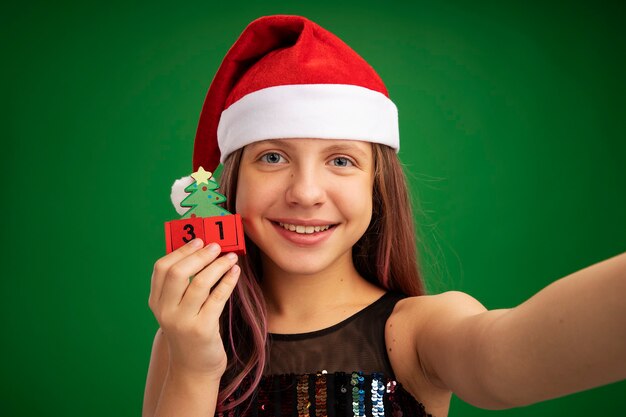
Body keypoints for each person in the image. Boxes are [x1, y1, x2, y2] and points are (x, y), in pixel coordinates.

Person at [143, 15, 626, 417]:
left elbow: (506, 357)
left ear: (378, 187)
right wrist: (194, 368)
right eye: (272, 157)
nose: (307, 193)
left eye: (341, 160)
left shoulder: (417, 332)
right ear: (233, 183)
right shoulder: (183, 339)